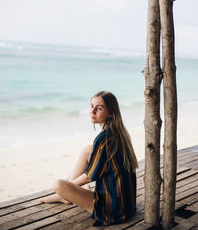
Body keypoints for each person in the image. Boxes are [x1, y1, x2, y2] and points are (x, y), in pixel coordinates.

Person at [41, 91, 138, 226]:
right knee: (88, 149)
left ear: (110, 113)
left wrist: (67, 188)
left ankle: (64, 196)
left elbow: (89, 176)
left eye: (99, 108)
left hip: (112, 211)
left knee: (58, 185)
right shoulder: (118, 132)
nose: (92, 111)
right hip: (127, 205)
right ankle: (66, 196)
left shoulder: (104, 138)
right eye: (91, 106)